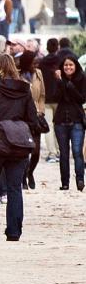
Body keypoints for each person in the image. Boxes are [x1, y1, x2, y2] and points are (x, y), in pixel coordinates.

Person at [0, 52, 39, 242]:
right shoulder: (25, 89)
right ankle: (14, 230)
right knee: (14, 188)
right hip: (18, 146)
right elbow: (33, 120)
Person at [53, 53, 86, 191]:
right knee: (64, 153)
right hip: (61, 121)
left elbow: (81, 99)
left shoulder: (82, 78)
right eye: (66, 65)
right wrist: (61, 82)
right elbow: (55, 97)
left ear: (75, 66)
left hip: (77, 120)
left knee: (77, 151)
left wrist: (70, 86)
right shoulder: (59, 80)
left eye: (70, 65)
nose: (68, 67)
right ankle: (65, 182)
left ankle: (80, 180)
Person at [18, 50, 45, 190]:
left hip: (36, 117)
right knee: (23, 150)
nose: (36, 64)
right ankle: (22, 177)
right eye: (34, 62)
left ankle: (30, 172)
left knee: (35, 151)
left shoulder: (39, 74)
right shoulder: (17, 75)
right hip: (22, 117)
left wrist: (41, 111)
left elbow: (42, 96)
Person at [39, 38, 60, 163]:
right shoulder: (61, 61)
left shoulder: (42, 63)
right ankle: (60, 151)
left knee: (49, 126)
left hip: (46, 98)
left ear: (47, 48)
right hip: (59, 98)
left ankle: (52, 153)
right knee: (59, 125)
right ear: (57, 47)